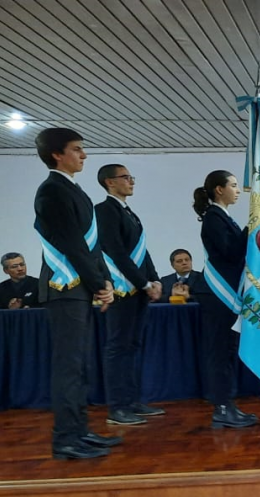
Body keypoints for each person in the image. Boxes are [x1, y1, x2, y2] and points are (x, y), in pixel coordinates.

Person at [33, 127, 119, 459]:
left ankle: (80, 431)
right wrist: (98, 284)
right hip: (65, 288)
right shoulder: (52, 191)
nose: (84, 155)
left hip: (80, 288)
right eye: (77, 149)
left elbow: (93, 246)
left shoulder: (74, 190)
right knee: (68, 367)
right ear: (57, 154)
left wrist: (105, 280)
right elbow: (71, 244)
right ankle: (65, 439)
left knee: (79, 365)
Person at [96, 164, 163, 425]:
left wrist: (154, 278)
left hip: (138, 290)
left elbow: (141, 251)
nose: (131, 182)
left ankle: (132, 401)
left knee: (133, 346)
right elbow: (115, 252)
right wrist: (143, 283)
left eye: (131, 177)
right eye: (125, 177)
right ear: (109, 182)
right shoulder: (104, 211)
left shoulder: (129, 212)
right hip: (122, 290)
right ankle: (117, 407)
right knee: (118, 347)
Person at [192, 170, 257, 428]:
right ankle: (221, 407)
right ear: (219, 190)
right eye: (232, 185)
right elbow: (231, 252)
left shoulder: (223, 216)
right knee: (219, 352)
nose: (237, 190)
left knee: (228, 351)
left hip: (226, 295)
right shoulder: (213, 217)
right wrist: (252, 226)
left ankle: (228, 404)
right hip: (218, 295)